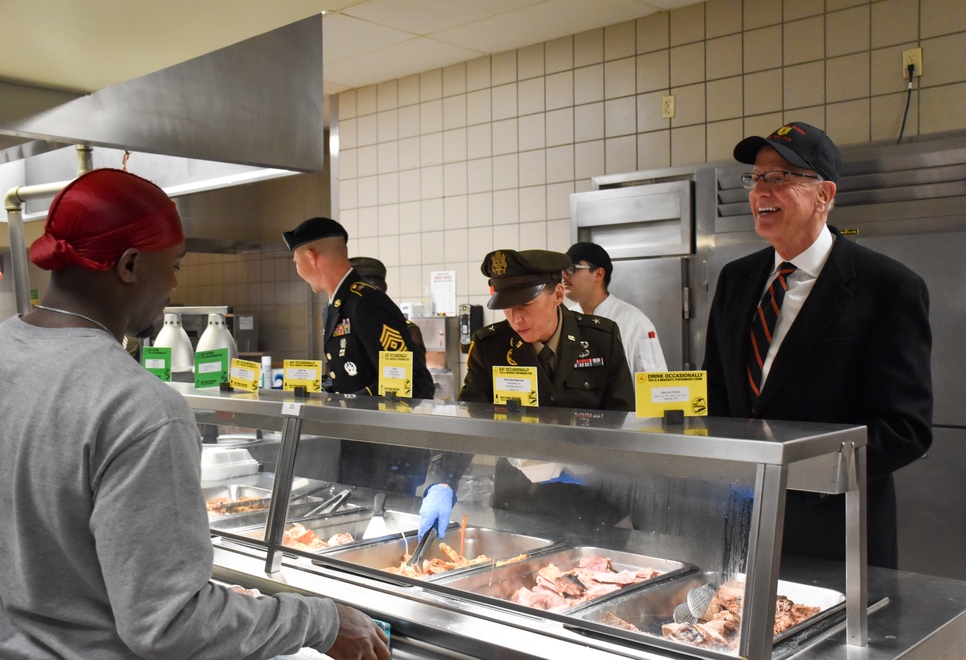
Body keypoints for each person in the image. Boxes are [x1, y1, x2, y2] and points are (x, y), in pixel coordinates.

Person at [0, 169, 388, 659]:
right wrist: (319, 620)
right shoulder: (136, 406)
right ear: (130, 265)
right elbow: (170, 623)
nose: (175, 284)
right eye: (175, 265)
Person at [701, 122, 933, 569]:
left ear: (824, 195)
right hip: (742, 525)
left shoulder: (888, 287)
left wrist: (792, 476)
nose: (760, 190)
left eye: (780, 176)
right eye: (756, 177)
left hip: (836, 534)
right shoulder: (736, 279)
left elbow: (905, 430)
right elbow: (716, 395)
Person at [419, 249, 636, 537]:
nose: (515, 319)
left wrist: (595, 469)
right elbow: (468, 419)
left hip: (596, 498)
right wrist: (441, 482)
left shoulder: (600, 339)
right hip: (519, 499)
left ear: (558, 294)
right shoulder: (491, 346)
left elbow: (623, 421)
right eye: (507, 308)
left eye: (525, 305)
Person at [284, 220, 434, 496]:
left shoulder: (366, 301)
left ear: (311, 256)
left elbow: (406, 382)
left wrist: (341, 401)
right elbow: (348, 374)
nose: (298, 271)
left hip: (389, 452)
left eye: (296, 262)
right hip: (361, 442)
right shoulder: (336, 305)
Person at [562, 241, 668, 376]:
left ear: (599, 274)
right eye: (563, 270)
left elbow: (654, 382)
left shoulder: (634, 322)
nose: (565, 276)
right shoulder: (566, 320)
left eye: (572, 268)